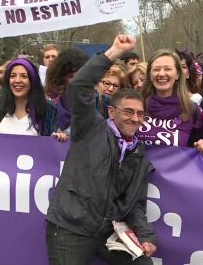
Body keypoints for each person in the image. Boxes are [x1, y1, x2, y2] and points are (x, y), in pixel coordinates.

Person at [46, 35, 157, 265]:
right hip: (70, 229)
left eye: (139, 114)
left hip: (108, 231)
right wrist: (113, 52)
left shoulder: (138, 153)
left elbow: (134, 203)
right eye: (128, 111)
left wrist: (145, 236)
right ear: (111, 112)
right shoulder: (91, 126)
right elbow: (79, 87)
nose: (134, 118)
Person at [137, 50, 202, 147]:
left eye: (167, 69)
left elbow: (197, 146)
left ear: (177, 75)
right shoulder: (137, 105)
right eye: (156, 69)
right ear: (150, 75)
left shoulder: (191, 109)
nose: (161, 74)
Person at [0, 58, 57, 136]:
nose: (17, 80)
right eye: (13, 76)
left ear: (32, 80)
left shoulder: (47, 108)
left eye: (24, 76)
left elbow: (50, 141)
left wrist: (58, 137)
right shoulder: (1, 104)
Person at [45, 48, 89, 137]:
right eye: (71, 76)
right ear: (61, 78)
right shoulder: (50, 107)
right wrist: (54, 138)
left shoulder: (97, 103)